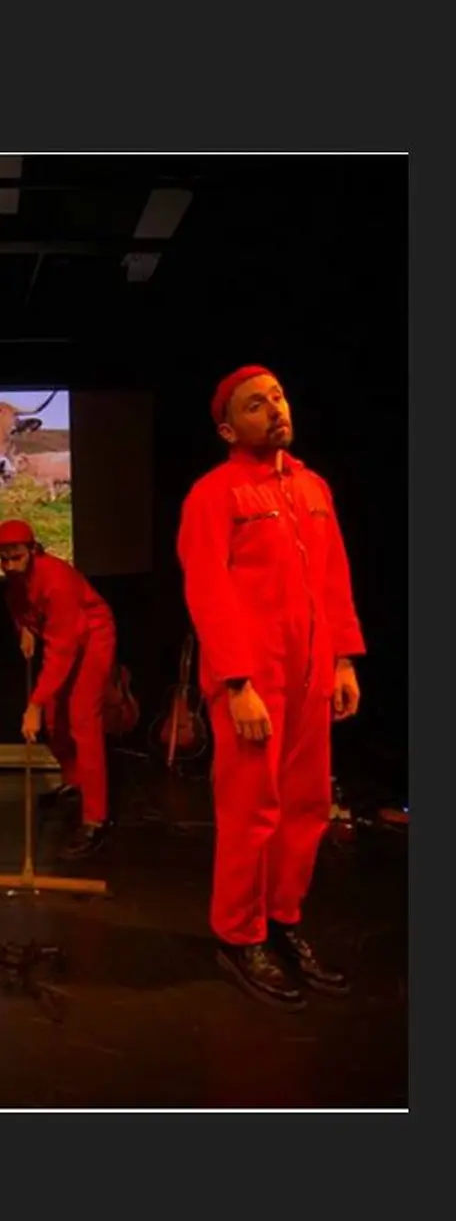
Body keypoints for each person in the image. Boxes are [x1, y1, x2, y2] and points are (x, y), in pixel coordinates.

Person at [177, 365, 365, 1009]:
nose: (275, 409)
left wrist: (343, 660)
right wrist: (236, 682)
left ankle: (283, 921)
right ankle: (239, 936)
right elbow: (207, 590)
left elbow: (334, 577)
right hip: (252, 680)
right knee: (251, 811)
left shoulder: (312, 487)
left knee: (307, 807)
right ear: (229, 429)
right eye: (256, 405)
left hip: (311, 673)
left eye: (278, 397)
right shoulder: (213, 494)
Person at [0, 518, 116, 859]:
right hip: (59, 637)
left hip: (91, 637)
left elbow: (62, 650)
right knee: (53, 722)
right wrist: (24, 627)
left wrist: (33, 703)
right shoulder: (16, 575)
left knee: (82, 720)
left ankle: (94, 818)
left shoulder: (57, 580)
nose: (9, 565)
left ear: (33, 550)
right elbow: (18, 602)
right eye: (4, 558)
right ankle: (75, 782)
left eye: (16, 557)